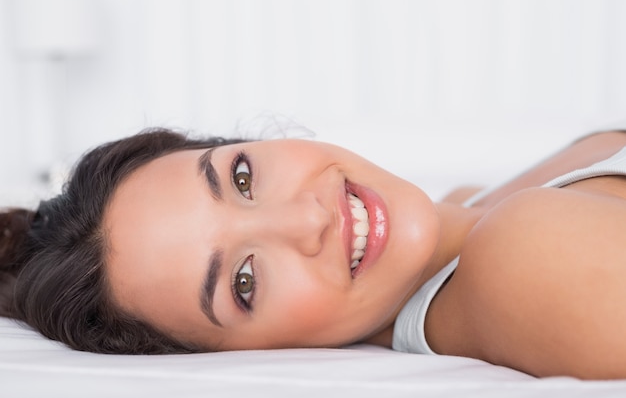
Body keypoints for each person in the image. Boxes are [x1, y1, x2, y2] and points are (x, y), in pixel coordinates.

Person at [1, 126, 626, 380]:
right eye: (244, 282)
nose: (307, 217)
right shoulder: (524, 260)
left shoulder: (473, 202)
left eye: (242, 177)